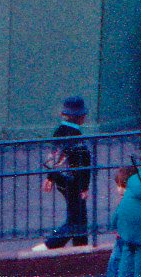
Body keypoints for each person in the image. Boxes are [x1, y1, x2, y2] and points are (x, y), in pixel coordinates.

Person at [34, 96, 93, 251]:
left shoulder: (59, 131)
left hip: (61, 179)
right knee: (76, 219)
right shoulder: (77, 136)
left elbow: (55, 156)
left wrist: (50, 177)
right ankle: (50, 244)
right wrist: (84, 186)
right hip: (74, 182)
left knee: (78, 216)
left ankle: (81, 247)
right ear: (80, 117)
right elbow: (83, 163)